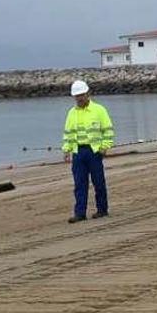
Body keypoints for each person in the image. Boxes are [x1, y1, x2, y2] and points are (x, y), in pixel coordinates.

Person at [62, 80, 115, 223]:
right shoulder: (72, 113)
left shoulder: (99, 110)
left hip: (94, 151)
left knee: (98, 182)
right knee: (80, 184)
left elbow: (108, 130)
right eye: (76, 96)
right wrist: (66, 150)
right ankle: (80, 213)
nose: (79, 98)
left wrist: (105, 146)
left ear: (87, 94)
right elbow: (68, 133)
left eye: (81, 95)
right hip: (78, 152)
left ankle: (102, 209)